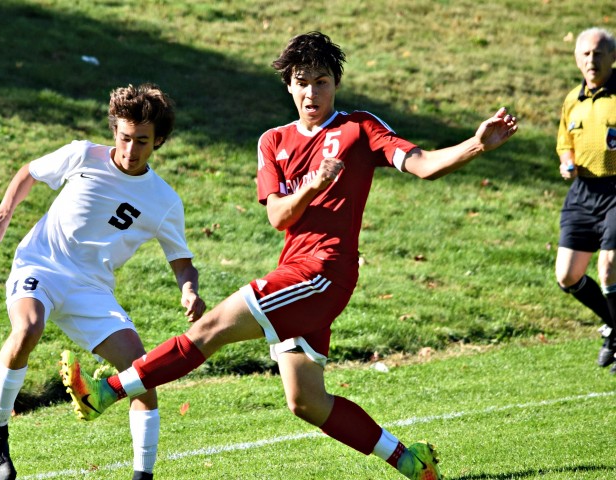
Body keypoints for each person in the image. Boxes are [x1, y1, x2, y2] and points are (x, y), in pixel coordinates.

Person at [60, 32, 517, 480]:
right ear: (289, 86)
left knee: (211, 328)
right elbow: (278, 216)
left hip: (324, 272)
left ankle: (107, 391)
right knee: (307, 402)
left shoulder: (359, 129)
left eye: (321, 81)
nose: (312, 92)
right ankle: (412, 463)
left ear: (335, 84)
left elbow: (424, 164)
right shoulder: (273, 141)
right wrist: (314, 185)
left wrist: (477, 144)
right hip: (296, 271)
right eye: (302, 82)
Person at [0, 83, 206, 480]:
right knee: (28, 328)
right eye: (125, 137)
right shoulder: (83, 154)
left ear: (159, 142)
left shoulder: (164, 201)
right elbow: (30, 172)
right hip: (41, 265)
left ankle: (143, 475)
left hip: (92, 290)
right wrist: (4, 212)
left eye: (142, 141)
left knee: (141, 373)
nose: (130, 150)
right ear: (115, 130)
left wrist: (189, 289)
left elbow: (182, 263)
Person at [554, 27, 616, 372]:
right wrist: (567, 162)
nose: (592, 60)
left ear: (613, 57)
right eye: (586, 54)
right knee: (567, 275)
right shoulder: (572, 100)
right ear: (577, 59)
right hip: (583, 191)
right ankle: (614, 326)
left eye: (598, 53)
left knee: (608, 266)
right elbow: (565, 142)